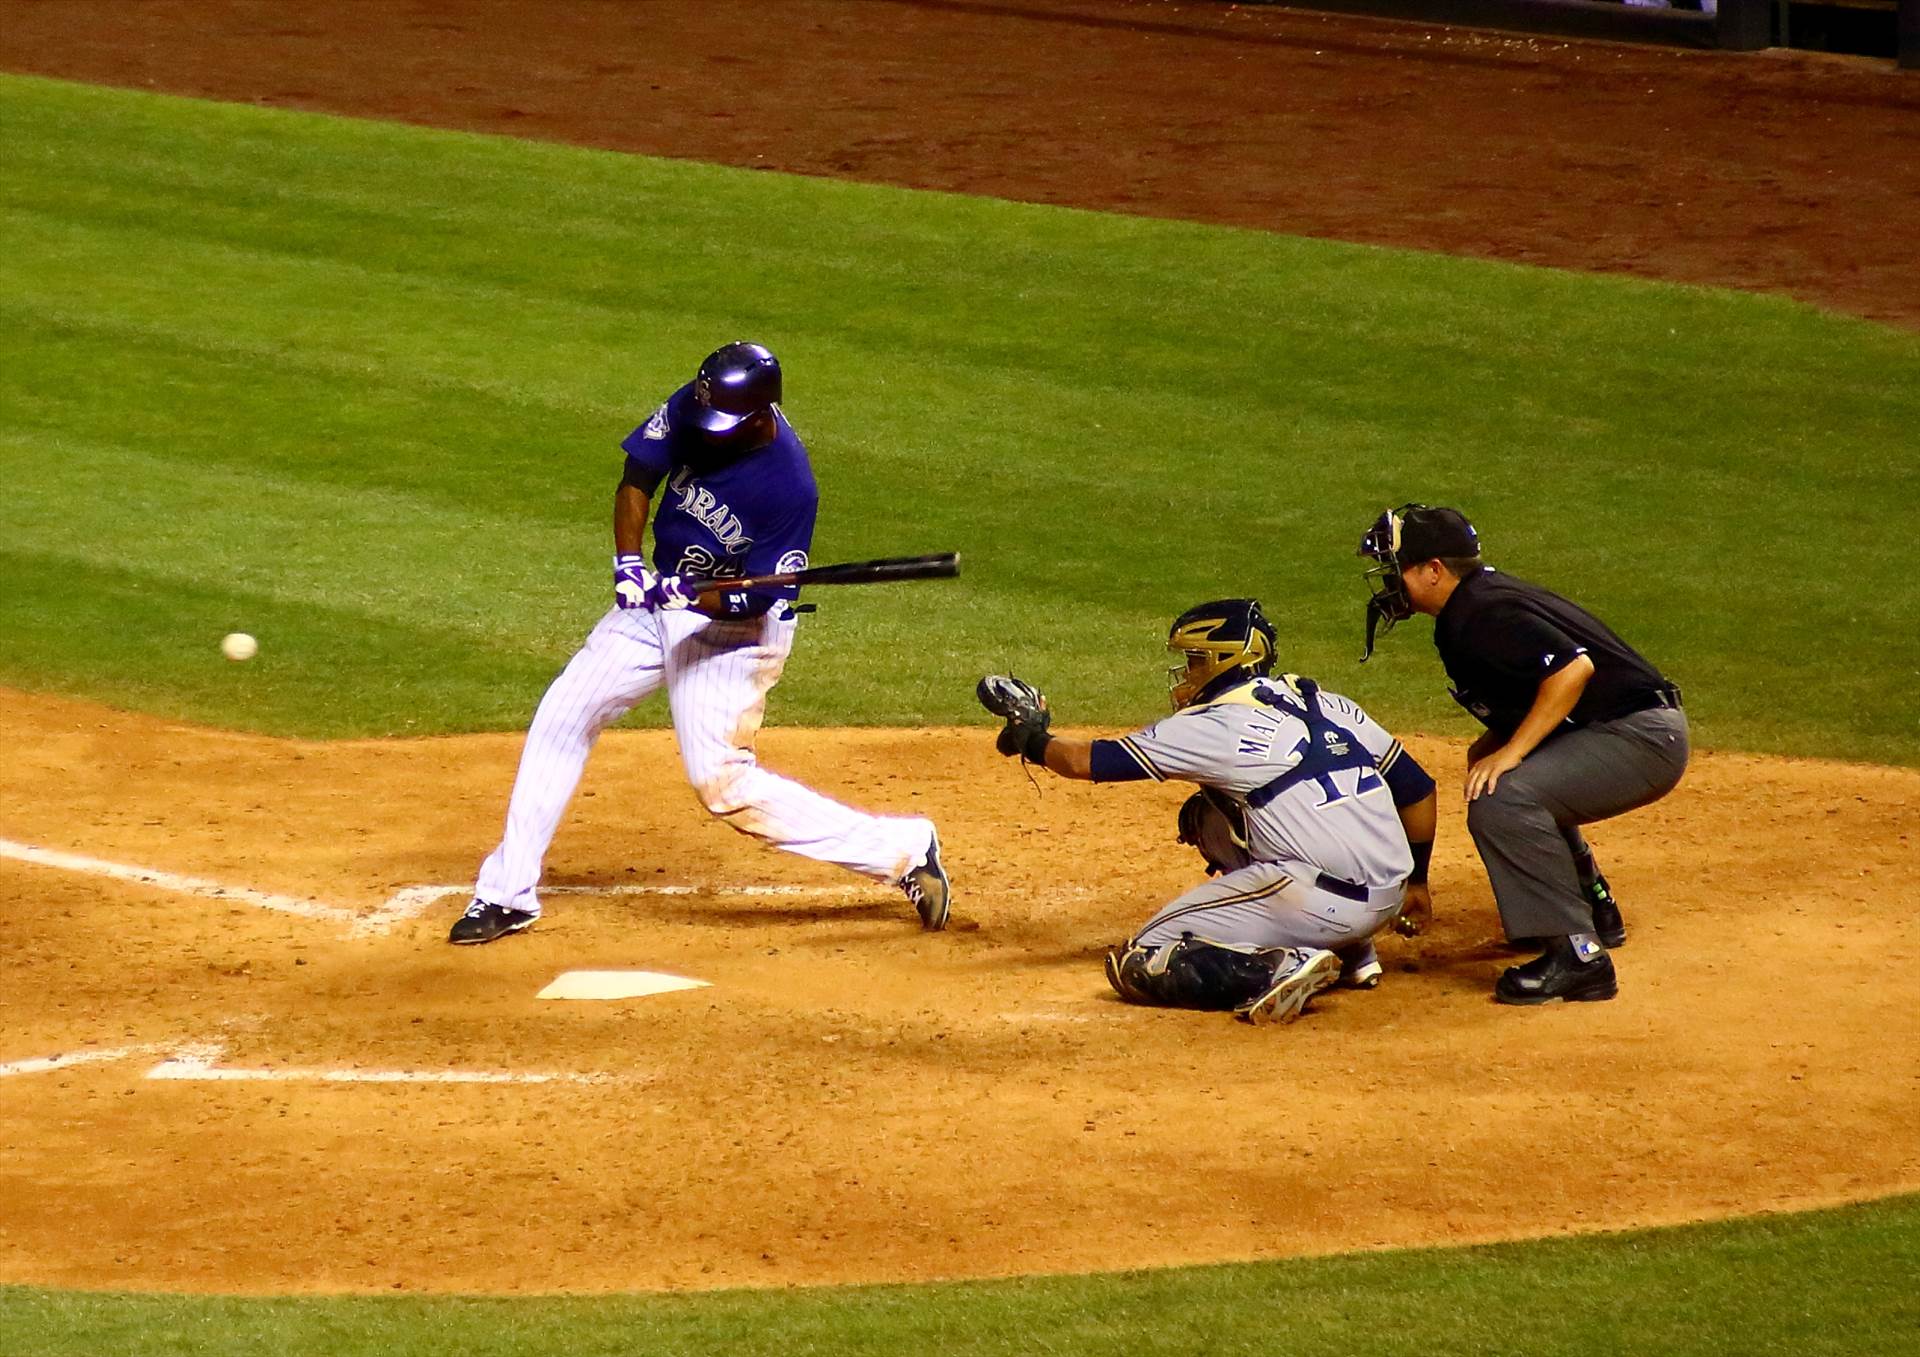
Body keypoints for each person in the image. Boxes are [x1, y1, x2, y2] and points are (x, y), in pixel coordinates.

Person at [451, 341, 950, 945]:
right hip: (659, 599)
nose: (707, 431)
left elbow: (756, 598)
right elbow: (639, 474)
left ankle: (903, 848)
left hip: (732, 634)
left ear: (762, 414)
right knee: (565, 713)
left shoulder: (788, 487)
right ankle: (506, 894)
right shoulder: (700, 403)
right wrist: (630, 565)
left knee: (723, 786)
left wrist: (686, 595)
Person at [978, 599, 1437, 1026]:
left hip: (1313, 899)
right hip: (1391, 896)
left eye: (1196, 660)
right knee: (1207, 816)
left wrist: (1031, 738)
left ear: (1224, 660)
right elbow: (1417, 790)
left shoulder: (1216, 724)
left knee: (1144, 957)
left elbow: (1087, 762)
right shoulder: (1328, 702)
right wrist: (1417, 882)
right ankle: (1356, 952)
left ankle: (1281, 963)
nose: (1187, 672)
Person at [1357, 503, 1689, 1004]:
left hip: (1641, 738)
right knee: (1506, 776)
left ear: (1433, 570)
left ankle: (1577, 958)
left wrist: (1511, 752)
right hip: (1631, 728)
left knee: (1503, 797)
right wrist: (1494, 747)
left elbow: (1572, 670)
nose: (1389, 581)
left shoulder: (1482, 612)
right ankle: (1594, 908)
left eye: (1396, 567)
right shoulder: (1475, 602)